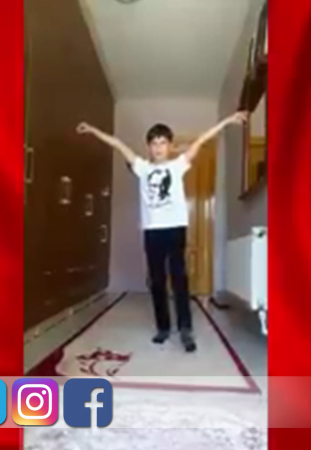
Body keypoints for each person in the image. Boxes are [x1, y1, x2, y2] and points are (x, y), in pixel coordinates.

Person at [77, 112, 248, 352]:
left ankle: (185, 328)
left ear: (170, 146)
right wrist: (92, 129)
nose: (158, 147)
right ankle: (163, 327)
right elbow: (117, 144)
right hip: (152, 231)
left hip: (175, 229)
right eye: (154, 143)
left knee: (179, 278)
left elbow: (201, 139)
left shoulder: (177, 166)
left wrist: (228, 120)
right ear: (149, 147)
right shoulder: (142, 167)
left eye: (163, 142)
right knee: (157, 280)